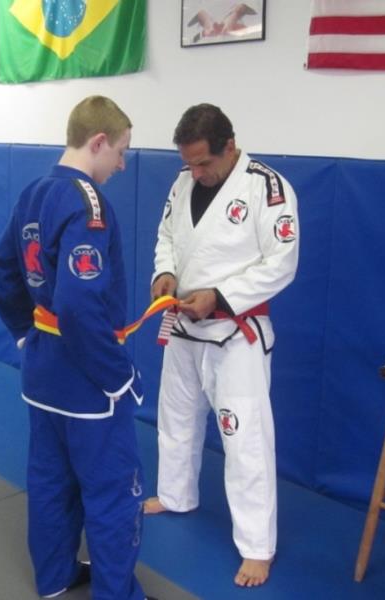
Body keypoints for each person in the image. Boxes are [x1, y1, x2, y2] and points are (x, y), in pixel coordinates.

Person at [0, 96, 153, 600]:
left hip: (42, 371)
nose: (122, 165)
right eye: (121, 152)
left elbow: (2, 272)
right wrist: (117, 375)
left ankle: (55, 579)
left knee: (51, 481)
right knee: (112, 490)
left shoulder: (34, 192)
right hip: (86, 381)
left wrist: (27, 333)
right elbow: (79, 305)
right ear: (98, 142)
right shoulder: (88, 204)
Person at [144, 103, 299, 588]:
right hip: (183, 326)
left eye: (203, 162)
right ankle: (175, 494)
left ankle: (257, 547)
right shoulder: (182, 182)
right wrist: (165, 273)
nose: (195, 172)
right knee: (175, 418)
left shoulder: (267, 189)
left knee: (244, 439)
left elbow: (282, 263)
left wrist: (221, 297)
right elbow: (166, 236)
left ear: (229, 147)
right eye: (188, 163)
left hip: (236, 333)